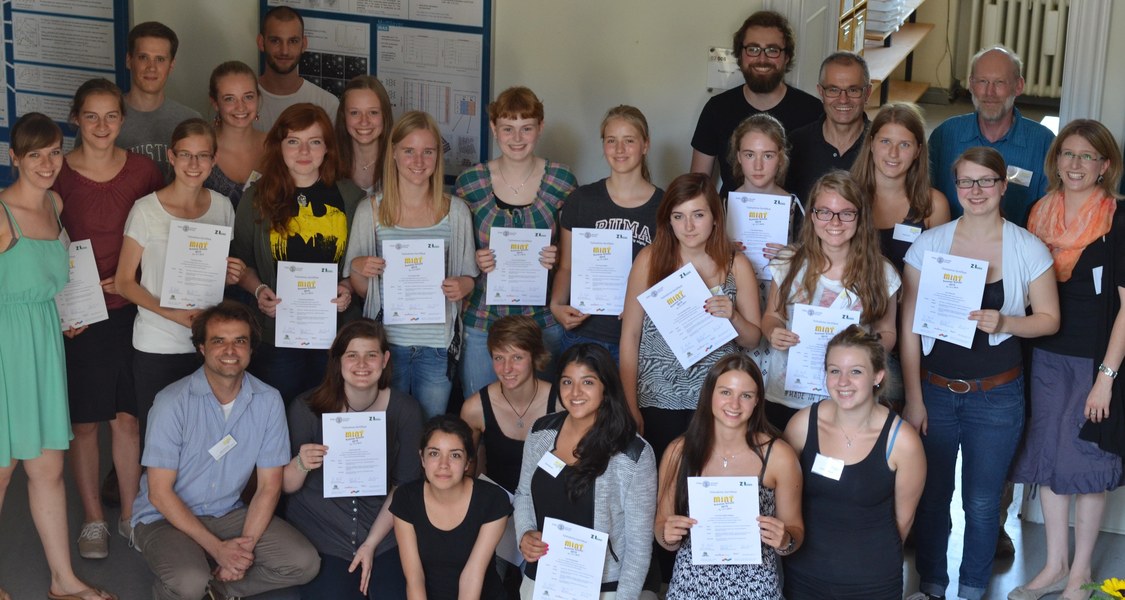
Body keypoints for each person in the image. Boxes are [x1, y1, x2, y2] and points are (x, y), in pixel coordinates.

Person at [901, 147, 1060, 600]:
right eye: (966, 182)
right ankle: (931, 587)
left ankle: (972, 589)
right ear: (956, 188)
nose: (975, 191)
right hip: (934, 392)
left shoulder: (1027, 246)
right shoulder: (929, 245)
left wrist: (1007, 322)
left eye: (985, 181)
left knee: (984, 503)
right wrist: (913, 397)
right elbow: (909, 326)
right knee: (932, 499)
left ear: (1002, 186)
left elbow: (1050, 319)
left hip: (997, 395)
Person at [130, 301, 320, 600]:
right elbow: (159, 493)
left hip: (227, 512)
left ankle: (215, 588)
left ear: (251, 349)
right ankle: (193, 582)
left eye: (239, 341)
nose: (230, 350)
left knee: (304, 563)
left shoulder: (268, 401)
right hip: (163, 517)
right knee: (189, 579)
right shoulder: (172, 402)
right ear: (202, 348)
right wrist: (218, 549)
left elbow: (269, 487)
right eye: (219, 341)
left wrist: (240, 552)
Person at [1, 112, 116, 600]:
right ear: (14, 159)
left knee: (47, 470)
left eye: (53, 152)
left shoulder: (55, 202)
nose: (47, 163)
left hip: (45, 343)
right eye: (35, 155)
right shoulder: (1, 214)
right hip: (6, 348)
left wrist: (71, 310)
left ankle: (62, 580)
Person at [1008, 120, 1125, 600]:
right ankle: (1054, 565)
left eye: (1086, 156)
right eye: (1067, 154)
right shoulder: (1039, 212)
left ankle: (1080, 574)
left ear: (1104, 166)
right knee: (1051, 461)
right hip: (1043, 356)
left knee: (1087, 465)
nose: (1075, 164)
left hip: (1095, 361)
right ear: (1055, 161)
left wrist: (1107, 378)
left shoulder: (1118, 219)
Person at [52, 77, 164, 560]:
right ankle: (94, 519)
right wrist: (61, 310)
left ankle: (128, 515)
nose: (102, 125)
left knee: (127, 419)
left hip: (130, 309)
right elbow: (40, 244)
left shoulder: (143, 171)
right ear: (75, 118)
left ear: (123, 120)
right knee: (83, 424)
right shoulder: (55, 172)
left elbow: (160, 237)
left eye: (111, 115)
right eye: (91, 116)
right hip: (77, 315)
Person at [116, 119, 243, 449]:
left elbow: (216, 277)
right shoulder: (145, 210)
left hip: (209, 347)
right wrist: (171, 314)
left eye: (203, 156)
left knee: (209, 442)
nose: (194, 164)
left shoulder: (222, 207)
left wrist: (230, 274)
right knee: (162, 445)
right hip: (158, 344)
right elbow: (125, 282)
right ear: (171, 156)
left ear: (214, 161)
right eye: (186, 154)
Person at [345, 111, 479, 419]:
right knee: (386, 433)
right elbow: (362, 290)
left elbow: (470, 280)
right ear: (393, 153)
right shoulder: (370, 211)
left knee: (430, 433)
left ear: (437, 156)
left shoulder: (456, 212)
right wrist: (360, 268)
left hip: (437, 347)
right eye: (409, 151)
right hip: (386, 347)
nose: (418, 161)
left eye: (427, 151)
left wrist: (463, 286)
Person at [620, 173, 762, 457]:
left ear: (715, 217)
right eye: (678, 216)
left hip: (716, 400)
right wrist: (629, 404)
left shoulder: (737, 265)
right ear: (668, 220)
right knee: (661, 483)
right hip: (655, 396)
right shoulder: (649, 260)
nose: (688, 226)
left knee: (705, 482)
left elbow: (754, 340)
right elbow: (630, 336)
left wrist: (733, 316)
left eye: (698, 214)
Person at [231, 103, 364, 404]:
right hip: (277, 333)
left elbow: (361, 263)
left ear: (327, 148)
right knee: (279, 414)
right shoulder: (256, 197)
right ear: (279, 146)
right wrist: (260, 289)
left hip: (336, 333)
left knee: (332, 413)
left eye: (314, 142)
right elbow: (242, 264)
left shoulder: (351, 198)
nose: (304, 151)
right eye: (293, 141)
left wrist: (347, 287)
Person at [782, 325, 925, 599]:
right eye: (834, 371)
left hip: (873, 583)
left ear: (878, 376)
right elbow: (785, 501)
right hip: (804, 578)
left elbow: (903, 523)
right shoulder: (802, 426)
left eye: (855, 371)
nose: (843, 381)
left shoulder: (903, 442)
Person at [285, 319, 424, 600]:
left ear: (385, 359)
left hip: (383, 531)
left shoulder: (405, 409)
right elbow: (285, 486)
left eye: (371, 355)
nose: (362, 364)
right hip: (322, 530)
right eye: (352, 355)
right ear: (337, 361)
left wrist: (370, 544)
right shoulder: (306, 407)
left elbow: (404, 487)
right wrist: (301, 463)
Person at [455, 86, 578, 396]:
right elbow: (455, 253)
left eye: (527, 128)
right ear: (494, 128)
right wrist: (475, 259)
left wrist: (558, 255)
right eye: (508, 129)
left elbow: (576, 253)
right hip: (484, 319)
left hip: (541, 319)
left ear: (540, 128)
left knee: (543, 416)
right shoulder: (471, 182)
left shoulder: (562, 180)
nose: (517, 138)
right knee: (481, 411)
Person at [655, 354, 803, 600]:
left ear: (757, 401)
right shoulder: (679, 452)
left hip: (756, 588)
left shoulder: (778, 456)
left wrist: (785, 540)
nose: (734, 404)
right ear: (709, 394)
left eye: (745, 395)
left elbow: (796, 532)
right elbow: (661, 527)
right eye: (725, 392)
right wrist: (667, 536)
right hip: (690, 585)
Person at [515, 344, 657, 600]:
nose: (575, 392)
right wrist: (524, 533)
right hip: (541, 581)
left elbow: (638, 545)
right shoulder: (540, 433)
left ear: (606, 387)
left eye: (588, 382)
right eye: (567, 382)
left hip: (603, 590)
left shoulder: (633, 453)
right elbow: (524, 493)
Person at [762, 171, 899, 431]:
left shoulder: (882, 273)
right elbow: (772, 315)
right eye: (824, 211)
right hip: (787, 393)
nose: (834, 221)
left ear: (860, 217)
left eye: (846, 213)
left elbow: (887, 331)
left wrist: (867, 345)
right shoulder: (788, 262)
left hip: (849, 397)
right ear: (812, 215)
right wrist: (773, 332)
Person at [850, 102, 950, 408]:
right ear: (870, 144)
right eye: (885, 142)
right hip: (855, 331)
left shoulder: (933, 206)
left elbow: (940, 285)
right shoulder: (848, 195)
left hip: (911, 335)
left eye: (904, 144)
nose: (893, 154)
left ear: (918, 150)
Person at [551, 105, 663, 360]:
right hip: (585, 332)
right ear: (603, 146)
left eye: (629, 141)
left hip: (642, 337)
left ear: (645, 145)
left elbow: (669, 274)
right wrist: (556, 305)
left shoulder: (665, 207)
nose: (620, 149)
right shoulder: (582, 200)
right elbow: (566, 266)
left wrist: (644, 304)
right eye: (611, 141)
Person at [690, 10, 823, 196]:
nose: (762, 59)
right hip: (729, 222)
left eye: (772, 50)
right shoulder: (717, 109)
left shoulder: (813, 111)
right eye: (753, 49)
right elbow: (698, 187)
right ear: (740, 55)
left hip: (797, 223)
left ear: (786, 57)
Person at [929, 45, 1055, 227]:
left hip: (1017, 250)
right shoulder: (944, 135)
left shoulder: (1043, 143)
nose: (989, 92)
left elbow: (1051, 213)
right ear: (971, 85)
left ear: (1018, 86)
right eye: (982, 81)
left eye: (999, 82)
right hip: (950, 248)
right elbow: (923, 199)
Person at [391, 415, 512, 600]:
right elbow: (415, 577)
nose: (443, 465)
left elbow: (472, 576)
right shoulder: (406, 498)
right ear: (422, 459)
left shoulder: (492, 500)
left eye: (455, 455)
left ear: (467, 462)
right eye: (434, 453)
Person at [461, 315, 559, 493]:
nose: (507, 368)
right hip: (498, 507)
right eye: (499, 358)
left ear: (535, 356)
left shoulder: (561, 403)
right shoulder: (475, 408)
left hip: (548, 503)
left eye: (517, 358)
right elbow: (467, 466)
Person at [117, 21, 201, 181]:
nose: (151, 67)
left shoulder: (191, 120)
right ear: (129, 60)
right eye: (143, 57)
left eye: (160, 59)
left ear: (171, 65)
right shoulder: (104, 119)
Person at [787, 52, 872, 205]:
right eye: (833, 90)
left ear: (867, 93)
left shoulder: (883, 145)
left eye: (853, 90)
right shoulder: (795, 144)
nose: (843, 99)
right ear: (821, 92)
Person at [256, 6, 340, 132]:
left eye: (293, 41)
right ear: (261, 43)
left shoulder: (327, 104)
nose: (284, 51)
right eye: (275, 41)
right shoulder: (240, 103)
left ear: (304, 44)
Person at [205, 61, 266, 209]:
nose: (241, 107)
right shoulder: (200, 149)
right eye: (229, 99)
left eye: (248, 97)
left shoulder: (278, 146)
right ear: (215, 103)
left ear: (257, 98)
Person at [336, 75, 394, 194]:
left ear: (384, 115)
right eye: (354, 113)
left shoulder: (402, 162)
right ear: (343, 116)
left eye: (373, 112)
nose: (364, 121)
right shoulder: (328, 162)